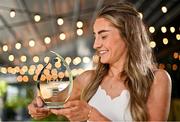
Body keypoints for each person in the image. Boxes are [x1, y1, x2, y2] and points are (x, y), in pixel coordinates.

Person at [28, 1, 172, 121]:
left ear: (128, 35)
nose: (95, 45)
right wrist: (39, 104)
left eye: (103, 37)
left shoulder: (157, 79)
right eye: (95, 36)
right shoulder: (88, 79)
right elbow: (54, 100)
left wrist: (92, 115)